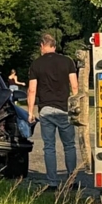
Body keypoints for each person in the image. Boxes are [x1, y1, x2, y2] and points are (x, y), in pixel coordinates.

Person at [27, 34, 78, 187]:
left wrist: (30, 112)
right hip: (64, 109)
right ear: (54, 46)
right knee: (69, 145)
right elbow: (74, 86)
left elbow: (31, 90)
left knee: (49, 147)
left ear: (43, 45)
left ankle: (52, 182)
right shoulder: (67, 61)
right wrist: (75, 106)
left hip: (46, 110)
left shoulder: (36, 64)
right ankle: (72, 180)